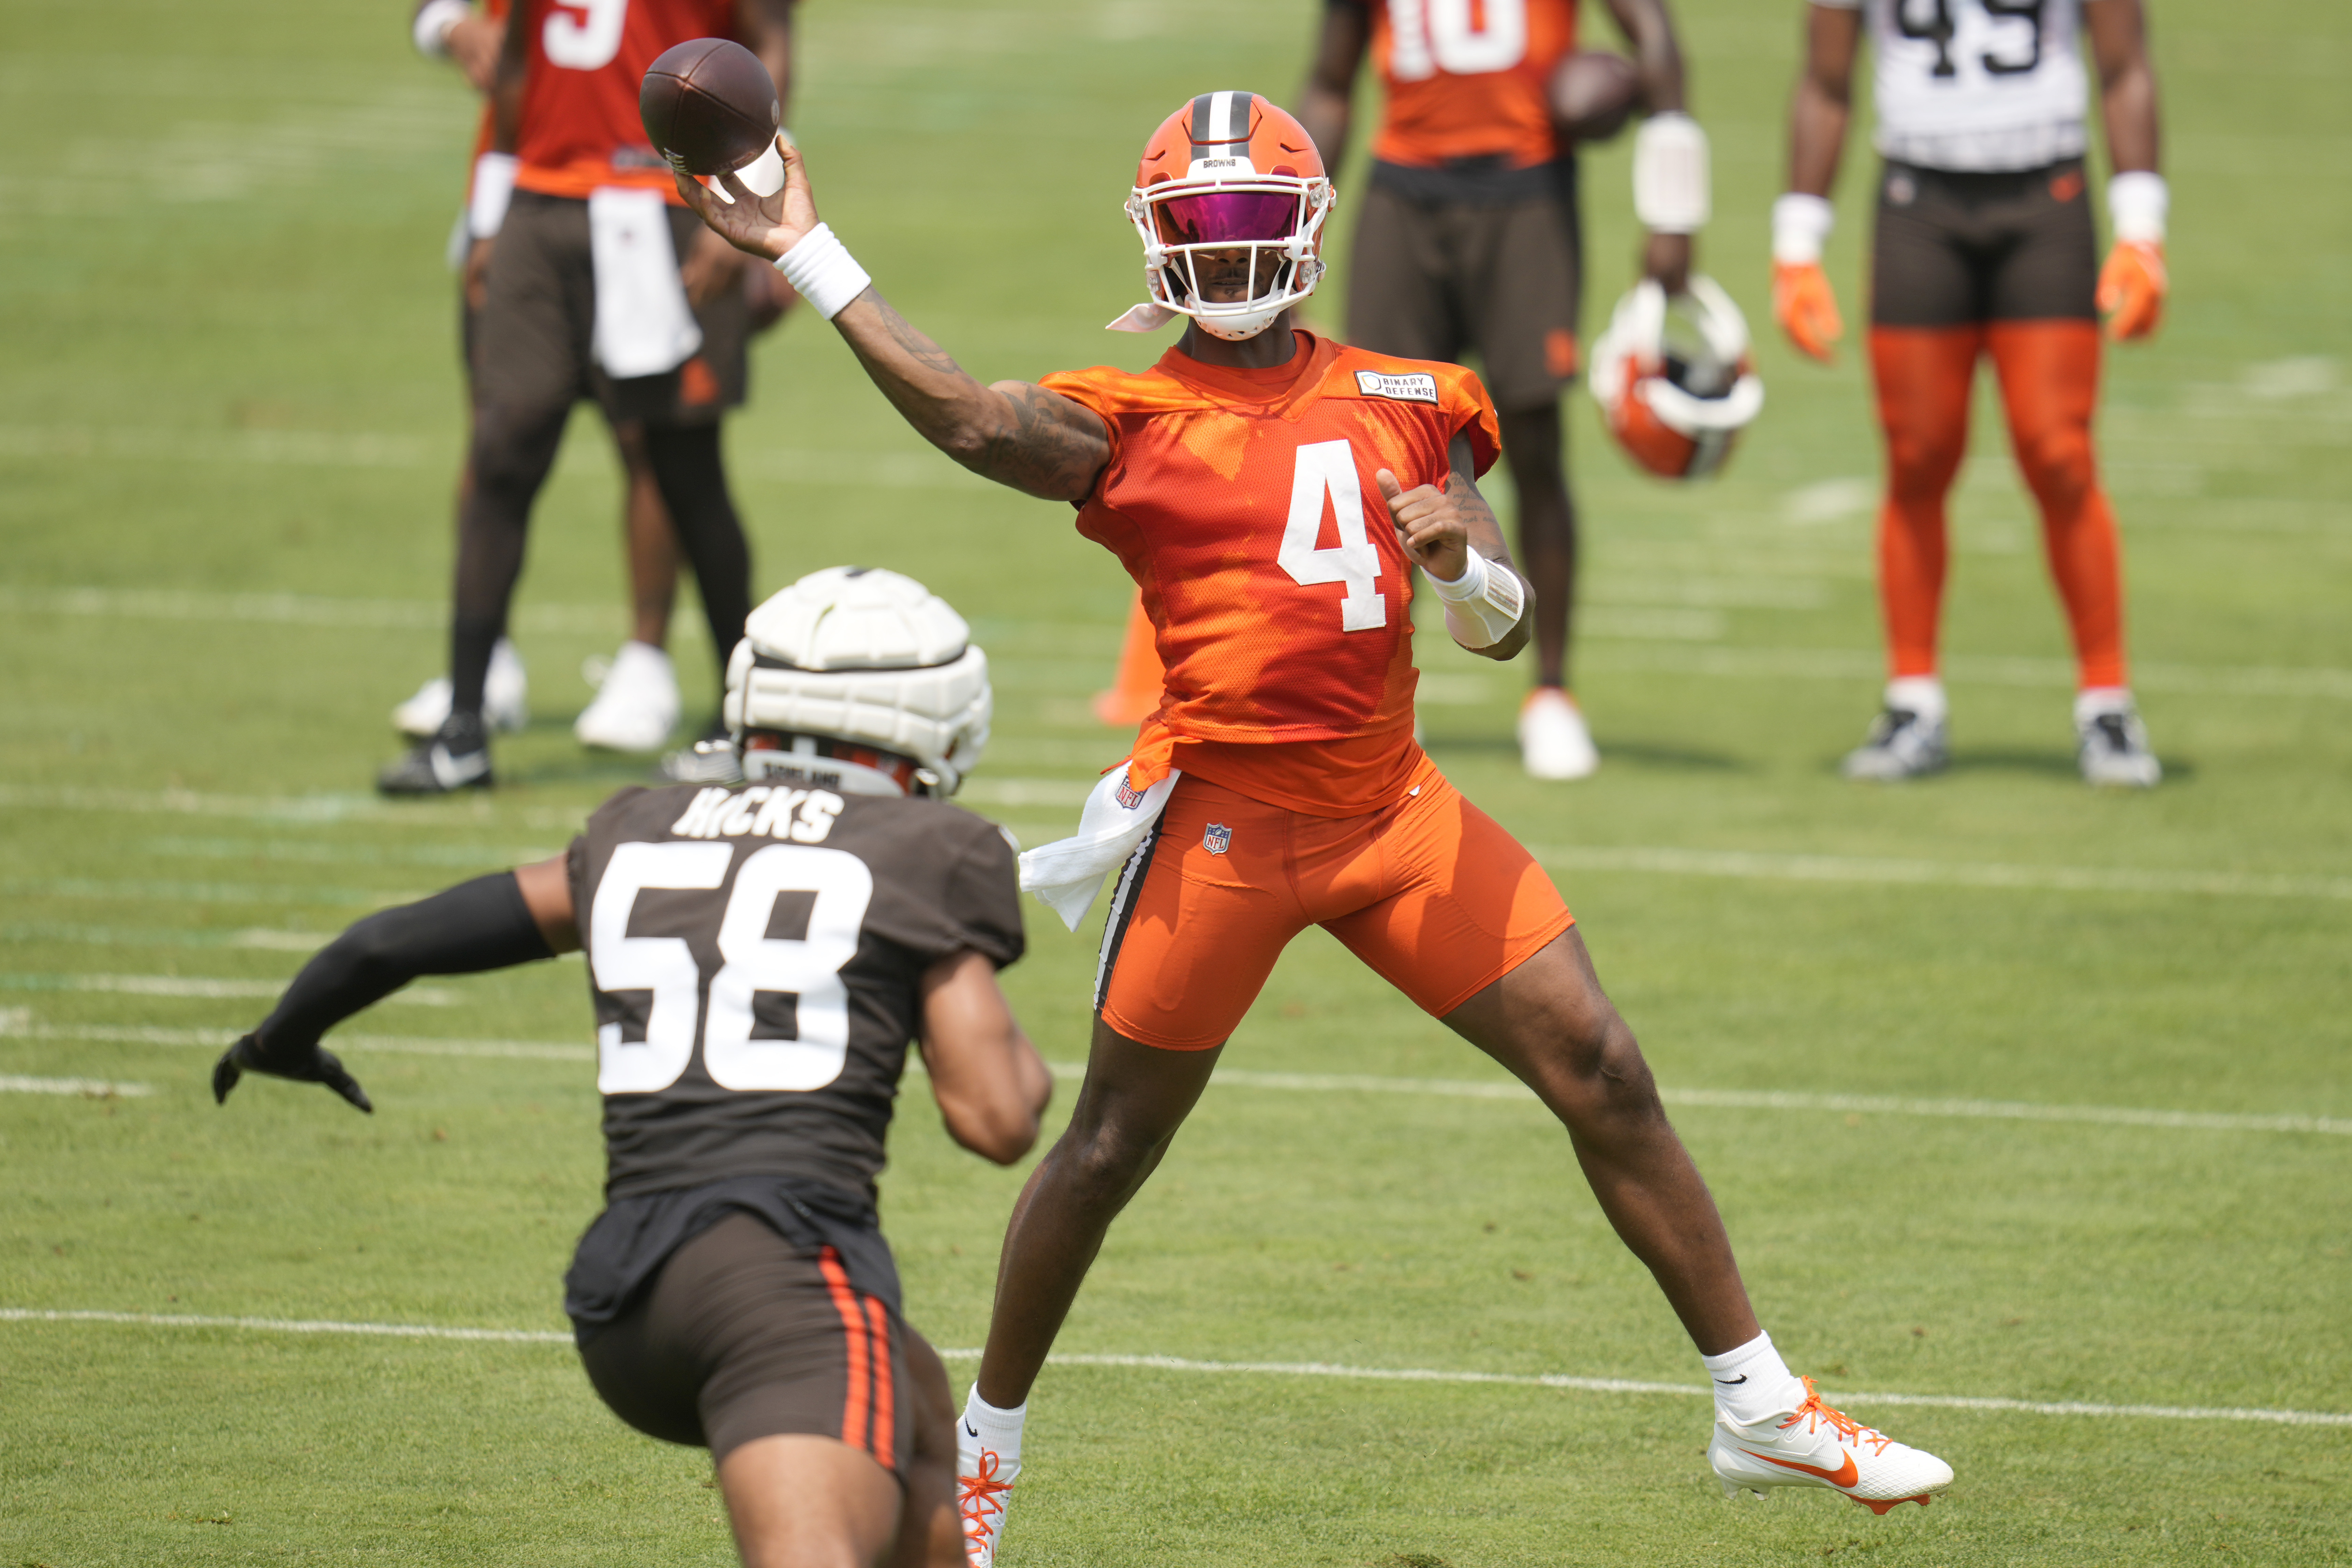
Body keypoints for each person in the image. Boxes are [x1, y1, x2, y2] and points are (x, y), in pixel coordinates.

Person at [676, 94, 1955, 1566]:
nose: (1226, 256)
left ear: (1307, 226)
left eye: (1247, 223)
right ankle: (982, 1450)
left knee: (1601, 1066)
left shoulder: (1413, 392)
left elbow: (1498, 622)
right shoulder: (1127, 419)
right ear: (1160, 248)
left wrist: (1466, 576)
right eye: (1199, 230)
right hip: (1224, 829)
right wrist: (803, 248)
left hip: (1392, 812)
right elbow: (969, 414)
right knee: (1102, 1150)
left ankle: (1755, 1402)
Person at [216, 566, 1054, 1568]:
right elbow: (996, 1117)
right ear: (940, 722)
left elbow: (391, 942)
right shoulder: (927, 850)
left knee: (915, 1402)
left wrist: (279, 1039)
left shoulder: (640, 825)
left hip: (624, 1297)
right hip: (780, 1287)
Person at [379, 0, 798, 796]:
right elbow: (511, 58)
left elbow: (768, 45)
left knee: (684, 466)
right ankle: (463, 727)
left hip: (665, 199)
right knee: (502, 446)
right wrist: (490, 206)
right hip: (541, 202)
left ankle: (745, 722)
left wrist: (746, 204)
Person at [1292, 0, 1707, 780]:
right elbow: (1329, 82)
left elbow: (1652, 33)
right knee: (1377, 454)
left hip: (1525, 191)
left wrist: (1672, 213)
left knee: (1533, 442)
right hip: (1401, 192)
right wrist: (1294, 232)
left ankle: (1549, 692)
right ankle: (1378, 697)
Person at [1773, 0, 2167, 786]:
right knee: (1916, 456)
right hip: (1919, 201)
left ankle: (2106, 703)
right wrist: (1796, 241)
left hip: (2043, 193)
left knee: (2058, 454)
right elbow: (1825, 78)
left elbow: (2123, 62)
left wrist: (2140, 227)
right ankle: (1912, 698)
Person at [402, 0, 693, 756]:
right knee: (498, 432)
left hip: (640, 193)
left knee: (651, 441)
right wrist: (450, 29)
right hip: (522, 184)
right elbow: (440, 15)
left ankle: (646, 660)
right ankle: (487, 659)